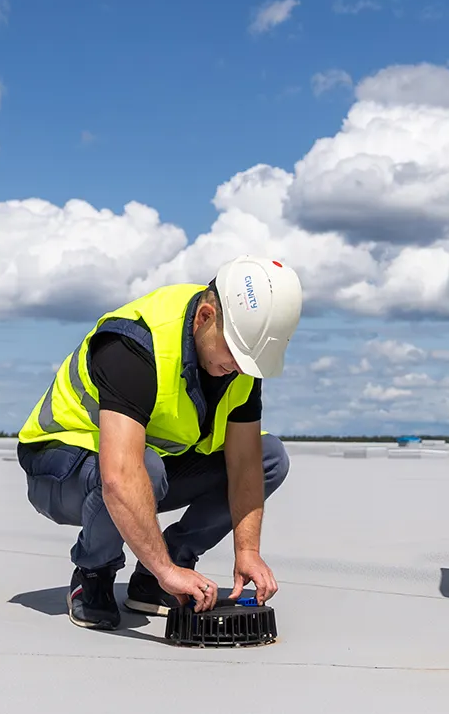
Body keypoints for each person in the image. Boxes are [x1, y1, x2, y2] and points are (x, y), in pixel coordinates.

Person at [15, 256, 304, 630]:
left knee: (270, 457)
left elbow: (247, 462)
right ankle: (93, 575)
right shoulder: (136, 342)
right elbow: (120, 476)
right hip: (59, 471)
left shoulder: (241, 361)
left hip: (142, 471)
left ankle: (155, 578)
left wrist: (247, 551)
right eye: (236, 353)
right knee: (141, 469)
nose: (241, 368)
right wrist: (167, 570)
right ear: (204, 317)